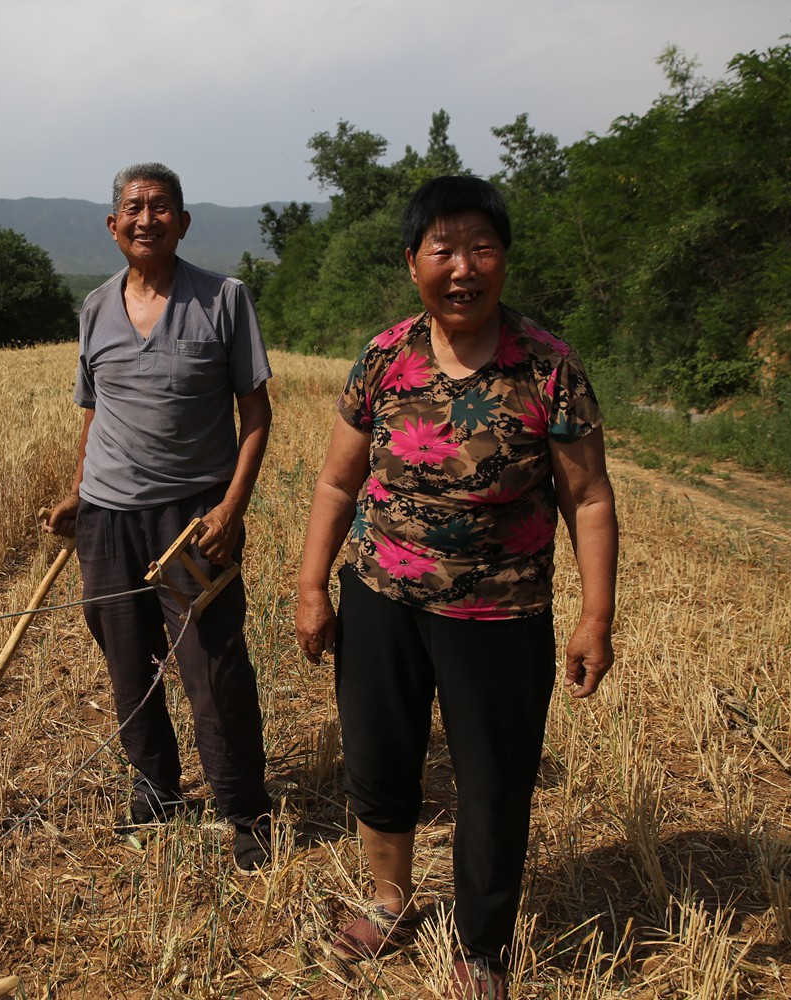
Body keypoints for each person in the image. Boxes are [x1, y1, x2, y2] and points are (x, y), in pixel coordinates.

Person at [293, 176, 618, 999]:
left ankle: (481, 946)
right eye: (444, 249)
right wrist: (311, 586)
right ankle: (389, 900)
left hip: (499, 612)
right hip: (380, 597)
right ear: (413, 263)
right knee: (379, 760)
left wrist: (596, 616)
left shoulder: (548, 367)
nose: (463, 267)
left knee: (495, 783)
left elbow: (588, 498)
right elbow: (336, 483)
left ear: (504, 260)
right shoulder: (384, 357)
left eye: (482, 248)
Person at [43, 162, 275, 871]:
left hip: (192, 521)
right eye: (133, 208)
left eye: (161, 207)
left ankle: (244, 808)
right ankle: (156, 787)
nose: (147, 219)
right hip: (108, 519)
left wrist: (232, 507)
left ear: (183, 222)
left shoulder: (224, 299)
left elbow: (256, 414)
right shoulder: (95, 308)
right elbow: (96, 414)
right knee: (127, 660)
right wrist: (79, 492)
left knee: (213, 666)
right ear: (113, 225)